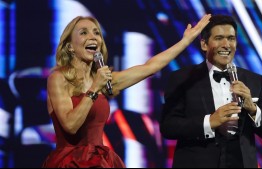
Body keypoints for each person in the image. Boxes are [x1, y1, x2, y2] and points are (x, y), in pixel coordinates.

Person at [42, 14, 211, 168]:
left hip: (100, 161)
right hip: (70, 162)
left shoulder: (105, 80)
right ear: (70, 47)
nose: (92, 36)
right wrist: (94, 88)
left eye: (96, 33)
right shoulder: (59, 78)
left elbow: (150, 67)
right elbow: (71, 126)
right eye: (84, 33)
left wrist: (185, 41)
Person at [159, 14, 262, 168]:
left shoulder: (254, 80)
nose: (226, 44)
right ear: (204, 44)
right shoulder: (183, 78)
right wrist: (210, 122)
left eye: (231, 38)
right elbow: (168, 126)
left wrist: (253, 109)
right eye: (219, 38)